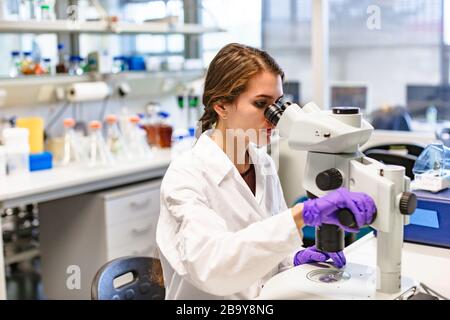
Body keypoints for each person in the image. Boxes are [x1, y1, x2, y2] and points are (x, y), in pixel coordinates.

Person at [156, 43, 376, 300]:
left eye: (278, 104)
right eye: (261, 104)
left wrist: (294, 258)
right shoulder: (187, 175)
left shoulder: (263, 163)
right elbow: (212, 266)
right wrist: (301, 216)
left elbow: (265, 256)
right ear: (222, 106)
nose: (275, 118)